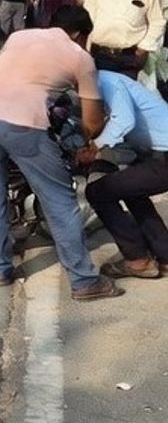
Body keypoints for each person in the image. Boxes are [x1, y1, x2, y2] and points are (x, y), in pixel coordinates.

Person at [0, 5, 122, 299]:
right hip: (23, 123)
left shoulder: (20, 37)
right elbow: (92, 121)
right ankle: (84, 281)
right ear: (79, 34)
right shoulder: (80, 57)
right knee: (60, 202)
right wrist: (84, 139)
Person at [81, 70, 168, 279]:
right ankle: (164, 254)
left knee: (98, 192)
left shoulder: (106, 82)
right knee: (130, 189)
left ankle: (137, 260)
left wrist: (94, 147)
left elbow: (123, 120)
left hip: (164, 157)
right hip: (157, 155)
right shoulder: (98, 83)